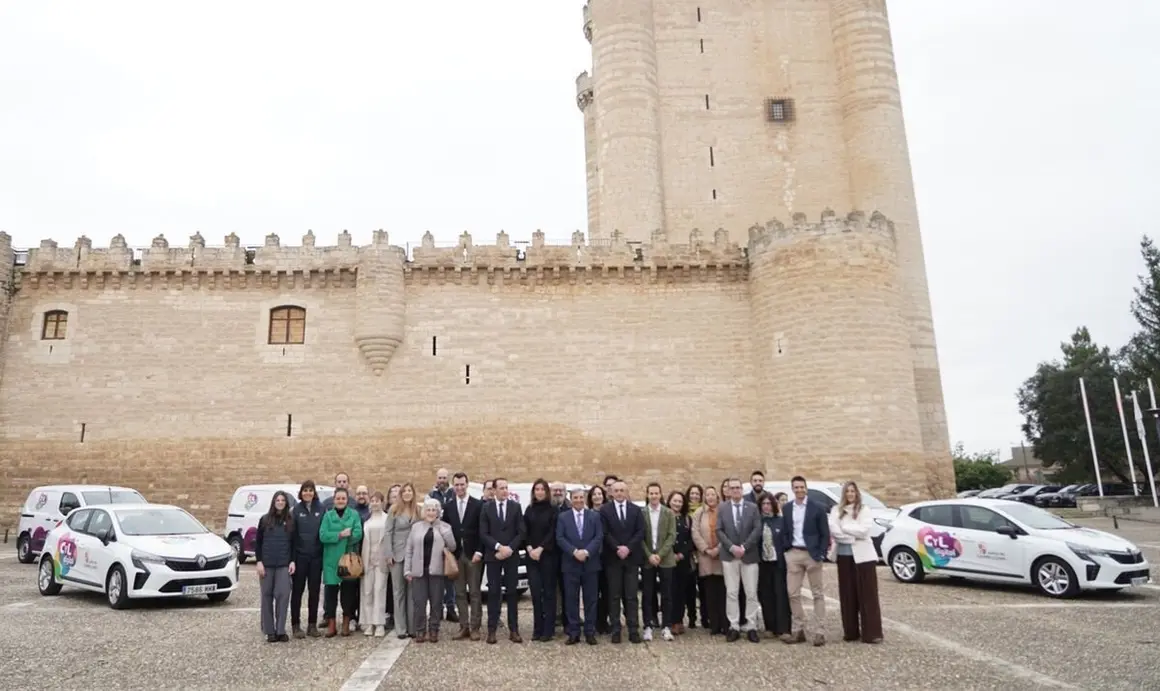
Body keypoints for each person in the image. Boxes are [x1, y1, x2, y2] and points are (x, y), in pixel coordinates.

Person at [830, 481, 883, 644]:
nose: (850, 494)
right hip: (844, 556)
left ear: (857, 493)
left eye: (853, 491)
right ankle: (850, 631)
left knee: (868, 595)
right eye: (847, 491)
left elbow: (865, 530)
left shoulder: (864, 510)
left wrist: (845, 528)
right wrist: (852, 535)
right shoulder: (836, 510)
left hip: (864, 557)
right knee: (847, 595)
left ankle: (872, 633)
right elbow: (834, 530)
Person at [781, 475, 830, 646]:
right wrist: (786, 549)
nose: (799, 490)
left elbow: (825, 533)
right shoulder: (787, 508)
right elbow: (786, 529)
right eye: (796, 487)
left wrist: (822, 553)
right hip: (794, 553)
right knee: (792, 593)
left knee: (817, 593)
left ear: (806, 488)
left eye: (802, 487)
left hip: (812, 554)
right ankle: (799, 628)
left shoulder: (817, 508)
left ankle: (820, 631)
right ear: (792, 489)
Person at [405, 497, 457, 643]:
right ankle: (420, 630)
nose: (431, 512)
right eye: (428, 509)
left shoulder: (445, 527)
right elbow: (409, 549)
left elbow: (452, 547)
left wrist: (443, 531)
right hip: (418, 571)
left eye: (434, 510)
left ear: (438, 512)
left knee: (436, 602)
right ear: (424, 511)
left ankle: (434, 630)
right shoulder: (416, 527)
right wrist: (407, 570)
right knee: (419, 603)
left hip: (437, 571)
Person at [480, 477, 526, 643]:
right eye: (501, 488)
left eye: (506, 487)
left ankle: (514, 629)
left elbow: (521, 532)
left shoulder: (515, 507)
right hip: (494, 556)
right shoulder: (486, 508)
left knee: (512, 592)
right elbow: (484, 533)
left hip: (511, 555)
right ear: (494, 490)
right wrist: (499, 547)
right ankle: (491, 629)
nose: (504, 490)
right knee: (493, 592)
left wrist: (510, 549)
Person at [599, 480, 644, 644]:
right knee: (614, 596)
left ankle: (633, 630)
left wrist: (628, 548)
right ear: (611, 493)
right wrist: (617, 548)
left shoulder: (636, 510)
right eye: (616, 490)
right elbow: (605, 532)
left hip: (631, 559)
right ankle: (616, 629)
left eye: (622, 490)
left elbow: (640, 531)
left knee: (631, 596)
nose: (619, 493)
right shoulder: (605, 510)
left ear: (626, 492)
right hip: (613, 559)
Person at [718, 477, 762, 643]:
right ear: (728, 490)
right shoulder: (723, 508)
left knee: (751, 592)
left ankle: (751, 625)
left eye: (738, 487)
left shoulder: (752, 508)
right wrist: (731, 548)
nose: (735, 490)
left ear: (742, 490)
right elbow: (719, 530)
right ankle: (734, 625)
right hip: (729, 556)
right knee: (731, 592)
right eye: (732, 488)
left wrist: (744, 547)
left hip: (749, 555)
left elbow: (757, 529)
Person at [557, 487, 602, 645]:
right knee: (571, 599)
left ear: (585, 499)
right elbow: (560, 538)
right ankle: (574, 632)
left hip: (590, 564)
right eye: (575, 498)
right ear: (571, 499)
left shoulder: (594, 516)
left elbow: (598, 537)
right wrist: (574, 551)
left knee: (591, 599)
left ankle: (590, 631)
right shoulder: (563, 517)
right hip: (570, 563)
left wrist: (587, 552)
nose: (578, 500)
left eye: (581, 498)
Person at [319, 488, 363, 637]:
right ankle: (331, 624)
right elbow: (323, 535)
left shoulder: (354, 514)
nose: (340, 501)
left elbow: (358, 533)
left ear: (347, 500)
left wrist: (348, 537)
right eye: (338, 498)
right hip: (331, 559)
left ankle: (346, 621)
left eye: (343, 498)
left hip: (348, 559)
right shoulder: (328, 516)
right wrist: (340, 534)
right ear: (334, 500)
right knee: (330, 593)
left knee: (348, 593)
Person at [445, 472, 484, 640]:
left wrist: (480, 551)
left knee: (474, 592)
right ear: (453, 486)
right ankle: (464, 626)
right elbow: (446, 530)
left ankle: (475, 627)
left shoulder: (478, 505)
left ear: (467, 485)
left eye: (462, 484)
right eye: (456, 485)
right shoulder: (449, 506)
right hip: (456, 555)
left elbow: (483, 531)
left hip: (473, 554)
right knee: (459, 592)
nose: (459, 487)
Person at [255, 490, 296, 643]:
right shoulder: (264, 520)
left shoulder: (291, 521)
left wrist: (292, 561)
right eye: (277, 500)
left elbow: (293, 544)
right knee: (266, 597)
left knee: (283, 596)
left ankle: (280, 630)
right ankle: (269, 630)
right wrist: (259, 561)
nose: (280, 502)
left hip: (283, 564)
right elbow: (258, 543)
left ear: (286, 503)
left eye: (282, 500)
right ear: (273, 502)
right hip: (267, 564)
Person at [523, 479, 559, 642]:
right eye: (536, 489)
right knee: (536, 593)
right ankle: (537, 628)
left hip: (548, 556)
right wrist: (530, 548)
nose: (539, 492)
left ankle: (548, 630)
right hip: (532, 557)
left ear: (546, 491)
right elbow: (524, 531)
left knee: (549, 593)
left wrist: (541, 548)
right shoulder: (529, 510)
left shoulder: (553, 510)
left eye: (542, 489)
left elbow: (553, 532)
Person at [641, 482, 676, 642]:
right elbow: (640, 537)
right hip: (648, 559)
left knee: (667, 594)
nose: (654, 496)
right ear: (647, 495)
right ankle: (648, 625)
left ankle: (666, 626)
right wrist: (649, 555)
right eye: (651, 493)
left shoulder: (668, 513)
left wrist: (660, 555)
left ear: (661, 495)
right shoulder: (642, 513)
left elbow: (671, 536)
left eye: (657, 493)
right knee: (648, 593)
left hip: (665, 559)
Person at [290, 480, 324, 639]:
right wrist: (292, 558)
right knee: (297, 591)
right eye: (305, 490)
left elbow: (323, 532)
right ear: (301, 492)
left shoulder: (321, 508)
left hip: (316, 557)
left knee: (315, 591)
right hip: (300, 557)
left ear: (314, 492)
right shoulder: (295, 510)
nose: (308, 493)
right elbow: (292, 536)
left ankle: (312, 625)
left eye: (310, 490)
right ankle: (295, 625)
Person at [386, 483, 420, 639]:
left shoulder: (418, 510)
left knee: (413, 592)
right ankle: (401, 628)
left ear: (413, 493)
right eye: (404, 491)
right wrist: (389, 553)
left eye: (409, 491)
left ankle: (412, 627)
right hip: (397, 554)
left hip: (414, 555)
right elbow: (388, 533)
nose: (407, 493)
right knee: (398, 591)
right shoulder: (394, 510)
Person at [691, 485, 725, 635]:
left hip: (722, 555)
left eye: (713, 494)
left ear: (717, 496)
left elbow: (728, 531)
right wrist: (705, 549)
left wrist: (719, 548)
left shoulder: (723, 510)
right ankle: (714, 624)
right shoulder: (699, 512)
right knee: (709, 592)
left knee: (723, 591)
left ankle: (725, 623)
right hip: (706, 556)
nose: (710, 497)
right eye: (708, 495)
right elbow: (695, 532)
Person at [757, 493, 791, 638]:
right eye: (763, 504)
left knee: (780, 594)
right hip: (763, 563)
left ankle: (783, 628)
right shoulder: (757, 522)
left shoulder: (780, 521)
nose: (766, 506)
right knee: (766, 595)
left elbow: (787, 539)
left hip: (778, 563)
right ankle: (769, 626)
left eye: (768, 503)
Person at [428, 467, 457, 624]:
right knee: (435, 580)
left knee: (449, 578)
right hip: (433, 542)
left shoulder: (454, 494)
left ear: (448, 479)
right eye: (439, 478)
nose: (442, 480)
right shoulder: (431, 496)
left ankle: (451, 609)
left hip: (448, 538)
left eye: (444, 478)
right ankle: (436, 610)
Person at [360, 491, 390, 637]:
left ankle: (379, 623)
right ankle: (368, 623)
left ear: (382, 502)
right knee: (367, 591)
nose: (375, 503)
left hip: (382, 559)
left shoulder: (387, 519)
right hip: (367, 559)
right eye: (372, 500)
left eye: (377, 500)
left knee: (379, 590)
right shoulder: (366, 519)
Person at [667, 490, 693, 635]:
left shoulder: (687, 519)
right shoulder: (665, 517)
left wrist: (682, 554)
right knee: (670, 591)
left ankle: (679, 620)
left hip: (683, 561)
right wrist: (670, 554)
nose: (677, 504)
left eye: (679, 501)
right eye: (674, 500)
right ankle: (670, 621)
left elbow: (691, 540)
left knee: (681, 592)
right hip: (668, 559)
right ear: (670, 501)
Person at [586, 485, 610, 634]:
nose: (597, 496)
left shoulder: (608, 513)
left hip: (607, 557)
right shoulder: (587, 514)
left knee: (607, 592)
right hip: (593, 557)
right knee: (592, 593)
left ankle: (603, 621)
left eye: (599, 494)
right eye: (594, 494)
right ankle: (592, 621)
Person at [684, 483, 705, 630]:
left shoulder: (704, 511)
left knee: (704, 588)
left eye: (697, 494)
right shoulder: (685, 513)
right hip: (690, 555)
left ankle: (706, 617)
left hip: (703, 554)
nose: (694, 496)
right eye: (692, 493)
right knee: (689, 588)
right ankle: (692, 617)